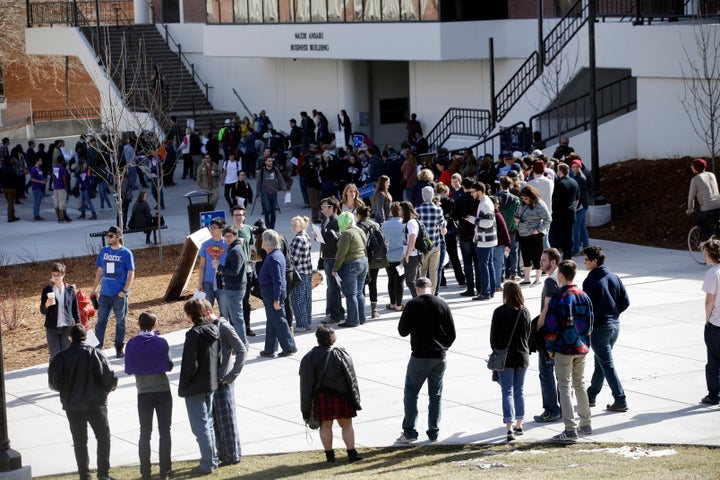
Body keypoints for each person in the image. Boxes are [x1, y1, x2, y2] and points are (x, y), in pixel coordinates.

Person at [48, 324, 118, 480]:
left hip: (73, 406)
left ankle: (85, 475)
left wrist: (66, 390)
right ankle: (103, 474)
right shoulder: (96, 354)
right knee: (103, 437)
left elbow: (53, 383)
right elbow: (110, 378)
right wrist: (106, 391)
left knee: (79, 441)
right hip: (96, 403)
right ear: (85, 337)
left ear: (70, 337)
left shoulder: (61, 358)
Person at [396, 277, 456, 443]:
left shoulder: (413, 305)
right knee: (435, 396)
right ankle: (433, 432)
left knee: (411, 394)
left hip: (420, 357)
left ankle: (409, 432)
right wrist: (443, 347)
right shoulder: (442, 304)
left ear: (417, 289)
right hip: (439, 357)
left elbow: (402, 331)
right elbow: (452, 334)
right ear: (431, 287)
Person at [193, 299, 247, 467]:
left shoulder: (224, 327)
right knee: (215, 421)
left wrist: (231, 375)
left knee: (227, 421)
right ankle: (222, 454)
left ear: (208, 313)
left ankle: (233, 455)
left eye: (202, 316)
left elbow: (241, 350)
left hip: (223, 382)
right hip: (211, 382)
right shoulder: (207, 329)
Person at [299, 325, 364, 464]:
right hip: (342, 396)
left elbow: (306, 384)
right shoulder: (341, 354)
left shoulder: (309, 357)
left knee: (325, 426)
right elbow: (351, 379)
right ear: (332, 337)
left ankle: (330, 457)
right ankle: (352, 454)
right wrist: (355, 399)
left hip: (321, 397)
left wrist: (305, 408)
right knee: (347, 425)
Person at [544, 260, 594, 442]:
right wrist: (585, 343)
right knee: (579, 383)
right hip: (581, 347)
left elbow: (551, 326)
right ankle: (586, 423)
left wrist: (550, 348)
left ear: (562, 276)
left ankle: (570, 428)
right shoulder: (583, 295)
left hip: (564, 348)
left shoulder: (559, 297)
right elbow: (590, 323)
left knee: (564, 386)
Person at [124, 312, 174, 480]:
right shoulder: (161, 342)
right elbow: (170, 365)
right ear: (156, 324)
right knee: (165, 432)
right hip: (162, 391)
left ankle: (145, 472)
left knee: (145, 433)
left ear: (138, 324)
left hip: (143, 392)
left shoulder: (131, 344)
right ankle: (165, 471)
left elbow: (129, 368)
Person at [582, 245, 630, 412]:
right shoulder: (614, 277)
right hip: (614, 327)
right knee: (601, 363)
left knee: (606, 364)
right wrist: (613, 314)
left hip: (599, 329)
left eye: (586, 260)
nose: (584, 263)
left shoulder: (590, 281)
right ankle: (591, 395)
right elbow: (626, 302)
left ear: (595, 261)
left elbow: (587, 308)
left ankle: (620, 399)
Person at [179, 299, 221, 475]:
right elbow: (218, 358)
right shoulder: (214, 330)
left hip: (195, 385)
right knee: (208, 424)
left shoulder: (193, 335)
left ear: (190, 315)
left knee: (200, 426)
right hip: (210, 382)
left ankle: (207, 463)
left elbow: (190, 364)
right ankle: (211, 459)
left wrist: (184, 384)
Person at [490, 281, 531, 441]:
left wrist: (497, 349)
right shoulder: (525, 312)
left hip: (505, 357)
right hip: (522, 355)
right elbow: (528, 336)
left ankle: (508, 427)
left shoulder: (499, 312)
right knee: (519, 390)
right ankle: (519, 425)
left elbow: (493, 338)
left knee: (506, 391)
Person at [91, 226, 135, 358]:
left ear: (118, 237)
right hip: (105, 294)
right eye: (107, 236)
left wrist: (124, 291)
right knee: (101, 322)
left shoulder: (126, 253)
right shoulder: (104, 251)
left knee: (120, 322)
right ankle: (98, 348)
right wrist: (94, 289)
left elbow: (131, 273)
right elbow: (100, 271)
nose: (108, 238)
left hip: (119, 295)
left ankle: (119, 347)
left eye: (111, 236)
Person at [533, 248, 562, 423]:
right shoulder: (561, 277)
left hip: (549, 334)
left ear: (553, 262)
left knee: (546, 372)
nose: (541, 263)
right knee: (561, 374)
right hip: (561, 334)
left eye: (544, 260)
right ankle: (564, 408)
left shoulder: (550, 283)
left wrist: (537, 327)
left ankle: (551, 410)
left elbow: (547, 307)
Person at [258, 229, 298, 357]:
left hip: (273, 294)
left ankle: (289, 346)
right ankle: (270, 348)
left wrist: (276, 299)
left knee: (279, 321)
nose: (261, 242)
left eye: (263, 239)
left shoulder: (274, 257)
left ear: (267, 242)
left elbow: (278, 280)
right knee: (272, 320)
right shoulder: (275, 254)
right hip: (271, 293)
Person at [214, 226, 249, 348]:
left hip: (235, 289)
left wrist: (220, 267)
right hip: (234, 287)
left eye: (230, 236)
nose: (227, 239)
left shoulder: (235, 251)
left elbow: (235, 271)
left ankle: (243, 345)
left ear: (235, 236)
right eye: (225, 236)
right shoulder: (233, 248)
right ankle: (241, 344)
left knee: (237, 319)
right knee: (236, 318)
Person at [332, 212, 369, 328]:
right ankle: (362, 318)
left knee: (350, 294)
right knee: (359, 293)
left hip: (351, 264)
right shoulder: (359, 230)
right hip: (363, 261)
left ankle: (353, 320)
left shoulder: (347, 233)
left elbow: (341, 253)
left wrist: (335, 269)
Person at [40, 262, 80, 360]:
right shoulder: (47, 290)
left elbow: (75, 309)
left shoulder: (70, 289)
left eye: (58, 275)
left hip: (67, 328)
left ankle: (66, 375)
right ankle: (54, 375)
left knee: (67, 355)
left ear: (63, 275)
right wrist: (46, 305)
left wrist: (79, 324)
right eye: (53, 274)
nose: (55, 277)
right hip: (52, 328)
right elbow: (42, 310)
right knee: (55, 357)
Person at [356, 205, 389, 319]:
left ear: (359, 215)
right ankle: (374, 310)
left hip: (364, 258)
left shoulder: (358, 226)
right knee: (373, 283)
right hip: (376, 258)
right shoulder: (375, 225)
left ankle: (362, 310)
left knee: (362, 284)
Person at [316, 196, 345, 324]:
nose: (322, 209)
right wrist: (318, 237)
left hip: (333, 257)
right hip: (327, 257)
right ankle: (336, 312)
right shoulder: (325, 221)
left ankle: (335, 314)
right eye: (322, 206)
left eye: (325, 206)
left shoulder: (336, 221)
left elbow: (338, 239)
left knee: (333, 288)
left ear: (331, 208)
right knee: (331, 287)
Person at [515, 185, 552, 286]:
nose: (524, 200)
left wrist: (538, 229)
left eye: (526, 198)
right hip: (523, 234)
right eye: (522, 198)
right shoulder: (522, 203)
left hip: (534, 235)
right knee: (526, 257)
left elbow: (548, 218)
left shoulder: (539, 204)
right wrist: (517, 218)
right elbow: (517, 212)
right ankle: (527, 279)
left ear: (532, 196)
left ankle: (538, 279)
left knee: (536, 258)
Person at [466, 182, 497, 301]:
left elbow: (487, 223)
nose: (472, 194)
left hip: (486, 239)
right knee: (488, 265)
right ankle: (490, 290)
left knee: (484, 265)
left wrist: (474, 220)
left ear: (479, 191)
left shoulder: (485, 204)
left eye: (473, 192)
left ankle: (486, 292)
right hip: (488, 239)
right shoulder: (485, 202)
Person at [230, 205, 256, 337]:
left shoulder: (249, 229)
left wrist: (251, 262)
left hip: (247, 270)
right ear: (232, 216)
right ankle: (233, 328)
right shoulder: (229, 231)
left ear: (244, 216)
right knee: (234, 301)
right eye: (236, 215)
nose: (238, 217)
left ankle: (247, 326)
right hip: (234, 271)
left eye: (240, 215)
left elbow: (251, 248)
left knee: (246, 301)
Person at [701, 238, 720, 406]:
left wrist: (707, 321)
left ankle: (714, 395)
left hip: (717, 324)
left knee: (714, 361)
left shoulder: (712, 273)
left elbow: (709, 301)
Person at [417, 185, 445, 291]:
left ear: (423, 196)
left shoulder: (417, 210)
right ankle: (432, 293)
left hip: (422, 246)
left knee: (422, 271)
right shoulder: (438, 210)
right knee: (433, 271)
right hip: (435, 244)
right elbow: (443, 229)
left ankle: (421, 292)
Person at [549, 163, 579, 260]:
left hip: (559, 215)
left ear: (559, 171)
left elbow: (555, 201)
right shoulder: (574, 182)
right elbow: (577, 199)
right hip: (570, 213)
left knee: (555, 239)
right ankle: (567, 259)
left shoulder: (559, 184)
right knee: (568, 237)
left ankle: (556, 259)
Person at [289, 216, 314, 331]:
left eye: (295, 225)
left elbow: (293, 258)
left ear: (302, 226)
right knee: (306, 298)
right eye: (292, 225)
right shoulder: (306, 236)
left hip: (300, 273)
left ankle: (301, 324)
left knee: (297, 299)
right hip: (307, 271)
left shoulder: (298, 239)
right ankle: (307, 322)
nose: (292, 227)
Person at [197, 217, 228, 310]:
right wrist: (200, 283)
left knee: (224, 311)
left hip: (222, 282)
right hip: (207, 282)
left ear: (221, 230)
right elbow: (202, 265)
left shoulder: (227, 244)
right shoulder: (205, 244)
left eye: (214, 228)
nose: (211, 230)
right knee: (206, 311)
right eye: (210, 227)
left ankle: (224, 324)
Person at [382, 201, 407, 311]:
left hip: (389, 256)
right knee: (400, 281)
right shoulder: (404, 224)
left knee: (391, 279)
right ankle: (399, 305)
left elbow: (383, 241)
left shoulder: (384, 225)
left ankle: (392, 303)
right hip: (401, 256)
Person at [687, 158, 720, 237]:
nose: (691, 167)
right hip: (719, 205)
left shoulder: (695, 179)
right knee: (718, 222)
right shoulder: (712, 175)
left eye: (692, 166)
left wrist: (690, 209)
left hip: (707, 207)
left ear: (696, 167)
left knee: (699, 223)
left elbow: (691, 197)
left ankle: (711, 236)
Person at [400, 201, 423, 297]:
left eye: (400, 209)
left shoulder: (411, 223)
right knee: (417, 281)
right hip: (415, 254)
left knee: (410, 281)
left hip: (413, 255)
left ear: (405, 210)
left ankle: (418, 301)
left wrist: (407, 255)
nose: (399, 211)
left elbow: (412, 239)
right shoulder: (413, 221)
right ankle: (421, 300)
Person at [570, 159, 590, 254]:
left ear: (580, 167)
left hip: (581, 205)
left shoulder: (581, 178)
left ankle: (575, 249)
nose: (575, 168)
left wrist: (576, 207)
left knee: (576, 228)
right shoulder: (574, 176)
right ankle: (586, 247)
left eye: (577, 167)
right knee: (582, 227)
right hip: (581, 205)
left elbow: (581, 194)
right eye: (573, 167)